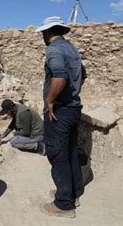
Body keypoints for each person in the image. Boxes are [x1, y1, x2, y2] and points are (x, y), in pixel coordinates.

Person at [36, 16, 86, 219]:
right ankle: (72, 193)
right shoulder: (71, 48)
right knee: (70, 150)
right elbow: (84, 74)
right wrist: (72, 93)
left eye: (43, 32)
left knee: (57, 153)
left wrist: (50, 100)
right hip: (73, 108)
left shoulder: (54, 49)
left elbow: (60, 76)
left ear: (47, 32)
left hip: (60, 111)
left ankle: (64, 205)